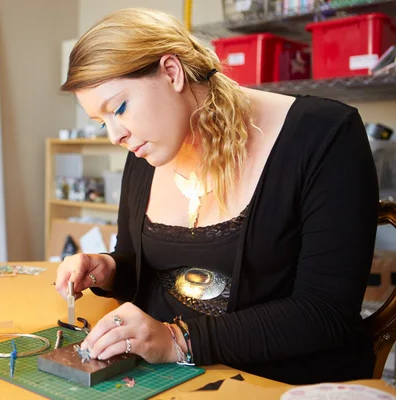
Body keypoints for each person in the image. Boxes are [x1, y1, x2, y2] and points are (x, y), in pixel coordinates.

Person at [54, 8, 379, 385]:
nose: (116, 136)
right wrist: (108, 269)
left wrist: (179, 340)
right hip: (168, 375)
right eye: (102, 122)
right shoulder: (148, 147)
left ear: (172, 72)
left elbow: (325, 312)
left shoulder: (324, 136)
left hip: (279, 382)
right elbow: (147, 273)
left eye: (119, 108)